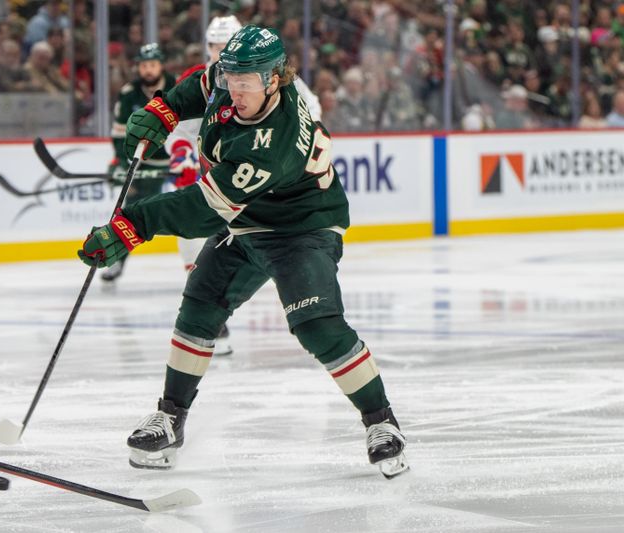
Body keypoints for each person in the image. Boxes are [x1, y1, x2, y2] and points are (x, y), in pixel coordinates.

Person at [78, 26, 409, 478]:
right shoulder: (232, 80)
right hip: (247, 218)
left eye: (246, 82)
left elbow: (203, 211)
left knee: (316, 326)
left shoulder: (273, 139)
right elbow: (199, 84)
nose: (235, 90)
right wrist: (164, 110)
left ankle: (381, 421)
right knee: (198, 308)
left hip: (301, 227)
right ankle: (171, 418)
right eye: (231, 78)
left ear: (274, 79)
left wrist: (134, 224)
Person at [162, 15, 322, 356]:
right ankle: (213, 320)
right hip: (216, 171)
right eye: (215, 47)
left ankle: (308, 308)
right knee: (194, 233)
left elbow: (311, 108)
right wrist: (181, 154)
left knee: (260, 242)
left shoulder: (269, 71)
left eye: (226, 45)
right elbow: (178, 126)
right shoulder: (200, 80)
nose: (221, 54)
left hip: (256, 173)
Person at [105, 42, 176, 282]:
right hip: (144, 165)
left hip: (181, 161)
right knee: (130, 214)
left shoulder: (178, 88)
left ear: (161, 65)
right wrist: (123, 166)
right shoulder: (129, 94)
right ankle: (117, 261)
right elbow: (118, 134)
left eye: (152, 65)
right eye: (144, 65)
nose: (148, 70)